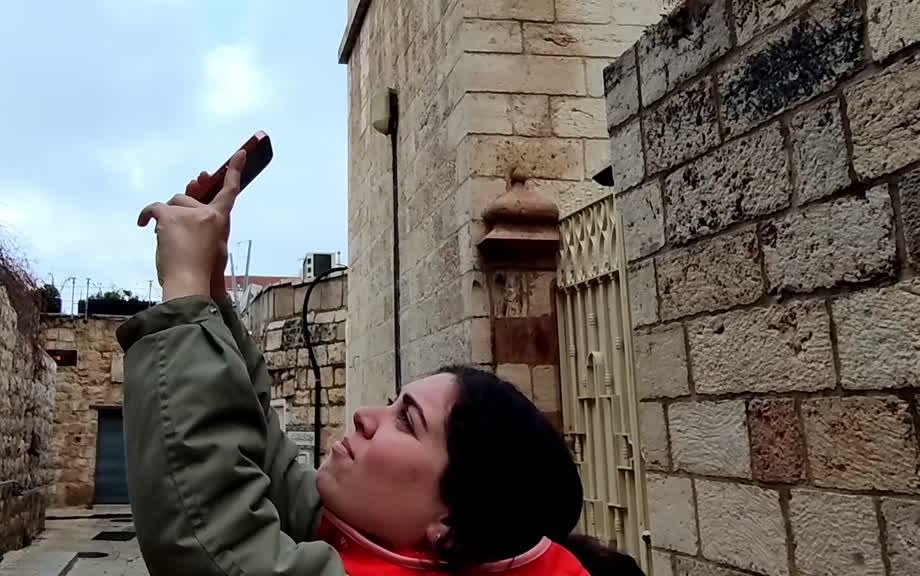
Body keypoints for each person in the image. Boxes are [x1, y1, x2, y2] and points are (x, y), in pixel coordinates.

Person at [118, 151, 645, 576]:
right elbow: (271, 468)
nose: (366, 415)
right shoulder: (414, 546)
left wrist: (183, 303)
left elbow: (214, 547)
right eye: (395, 403)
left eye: (406, 420)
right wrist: (210, 291)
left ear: (449, 525)